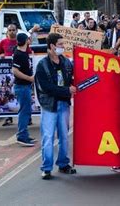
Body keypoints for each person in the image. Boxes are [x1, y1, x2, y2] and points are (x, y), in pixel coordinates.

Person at [35, 33, 77, 180]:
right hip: (49, 106)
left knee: (64, 136)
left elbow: (72, 77)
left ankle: (63, 164)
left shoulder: (66, 62)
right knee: (48, 137)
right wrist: (67, 90)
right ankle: (46, 168)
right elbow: (46, 88)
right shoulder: (42, 65)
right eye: (60, 44)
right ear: (52, 46)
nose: (62, 47)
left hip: (64, 104)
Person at [12, 33, 36, 147]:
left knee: (26, 111)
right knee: (24, 111)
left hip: (25, 86)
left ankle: (24, 134)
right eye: (28, 39)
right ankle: (22, 136)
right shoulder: (19, 54)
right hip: (22, 87)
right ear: (26, 41)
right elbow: (15, 71)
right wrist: (29, 78)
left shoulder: (24, 53)